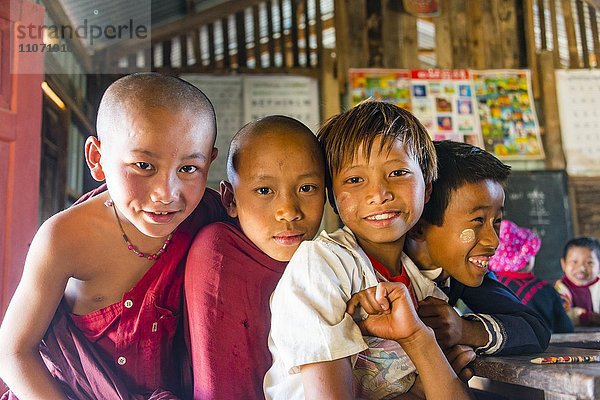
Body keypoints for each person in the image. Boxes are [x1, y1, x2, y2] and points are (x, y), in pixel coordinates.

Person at [0, 73, 227, 399]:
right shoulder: (65, 238)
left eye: (188, 169)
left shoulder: (210, 214)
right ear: (97, 158)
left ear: (210, 163)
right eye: (144, 166)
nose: (166, 193)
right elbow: (13, 353)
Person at [264, 101, 473, 400]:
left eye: (398, 172)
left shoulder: (425, 287)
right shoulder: (322, 267)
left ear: (427, 187)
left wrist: (419, 340)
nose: (379, 194)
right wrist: (418, 392)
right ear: (333, 197)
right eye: (355, 180)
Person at [183, 115, 326, 399]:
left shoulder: (321, 260)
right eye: (264, 190)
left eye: (306, 188)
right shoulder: (220, 253)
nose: (288, 210)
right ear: (230, 200)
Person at [404, 140, 551, 356]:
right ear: (418, 228)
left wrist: (467, 330)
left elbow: (535, 330)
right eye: (478, 221)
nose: (494, 241)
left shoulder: (457, 273)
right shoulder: (369, 273)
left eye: (497, 221)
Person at [488, 220, 573, 333]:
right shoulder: (545, 290)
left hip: (497, 348)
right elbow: (566, 329)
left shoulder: (487, 286)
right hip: (544, 349)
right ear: (527, 261)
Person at [554, 236, 600, 326]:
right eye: (574, 262)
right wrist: (585, 317)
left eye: (589, 262)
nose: (581, 268)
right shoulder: (560, 288)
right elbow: (560, 315)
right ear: (563, 264)